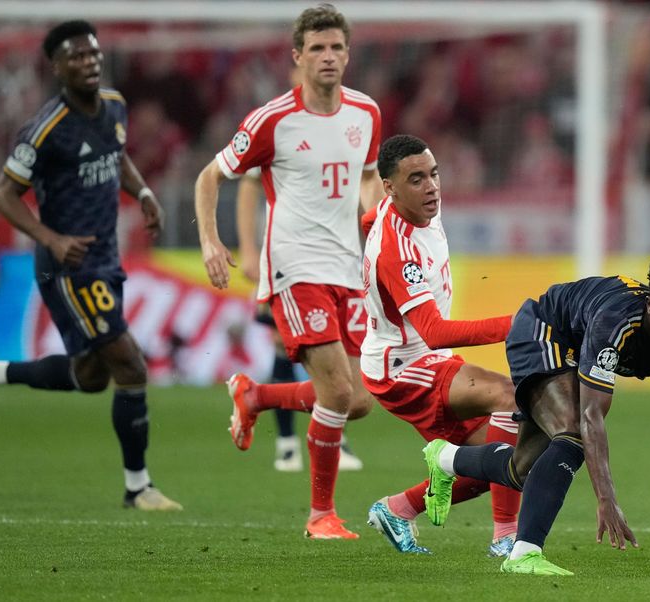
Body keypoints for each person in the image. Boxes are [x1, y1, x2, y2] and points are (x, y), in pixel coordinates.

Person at [0, 20, 181, 512]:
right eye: (76, 56)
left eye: (93, 53)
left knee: (92, 377)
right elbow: (3, 194)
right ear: (57, 67)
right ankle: (139, 488)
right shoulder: (45, 128)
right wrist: (51, 238)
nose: (89, 62)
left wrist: (144, 192)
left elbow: (116, 157)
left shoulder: (114, 105)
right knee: (130, 365)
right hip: (66, 266)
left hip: (104, 259)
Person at [194, 4, 382, 539]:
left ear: (348, 54)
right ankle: (321, 515)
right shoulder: (271, 120)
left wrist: (375, 219)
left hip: (349, 268)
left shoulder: (365, 113)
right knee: (338, 395)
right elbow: (211, 177)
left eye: (336, 47)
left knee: (361, 400)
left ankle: (255, 396)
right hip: (295, 268)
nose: (328, 57)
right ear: (298, 57)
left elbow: (368, 177)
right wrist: (213, 240)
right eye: (317, 48)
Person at [422, 251, 650, 577]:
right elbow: (591, 416)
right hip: (544, 329)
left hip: (576, 347)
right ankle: (524, 553)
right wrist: (606, 498)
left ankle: (446, 458)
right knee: (572, 434)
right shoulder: (617, 320)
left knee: (520, 471)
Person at [357, 134, 521, 556]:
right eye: (416, 179)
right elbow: (435, 331)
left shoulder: (416, 205)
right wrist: (515, 324)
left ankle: (398, 509)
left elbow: (366, 219)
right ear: (390, 187)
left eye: (433, 174)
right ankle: (507, 539)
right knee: (511, 399)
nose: (431, 186)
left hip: (425, 359)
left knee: (504, 457)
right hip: (404, 367)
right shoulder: (397, 250)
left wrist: (366, 230)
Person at [234, 174, 364, 473]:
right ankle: (287, 442)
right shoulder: (282, 134)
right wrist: (250, 250)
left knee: (339, 354)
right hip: (287, 262)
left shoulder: (344, 142)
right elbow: (249, 182)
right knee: (283, 344)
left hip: (338, 264)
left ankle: (336, 436)